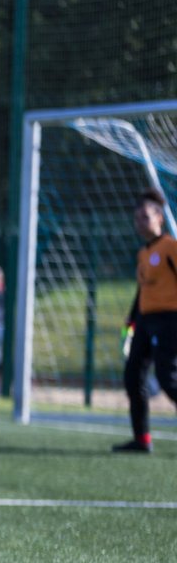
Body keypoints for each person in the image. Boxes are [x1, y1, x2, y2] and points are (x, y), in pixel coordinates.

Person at [113, 187, 177, 454]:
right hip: (145, 321)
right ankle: (142, 439)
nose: (140, 222)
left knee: (166, 377)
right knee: (132, 376)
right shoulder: (143, 253)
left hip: (170, 319)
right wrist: (131, 320)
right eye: (137, 217)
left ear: (159, 218)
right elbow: (143, 291)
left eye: (145, 217)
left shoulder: (170, 247)